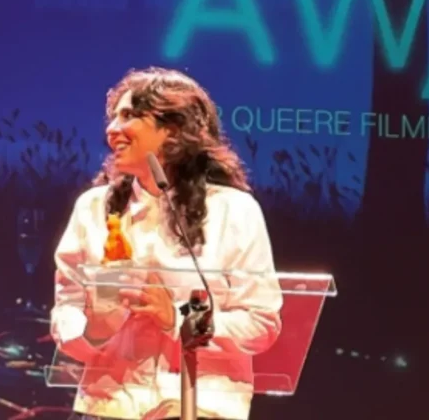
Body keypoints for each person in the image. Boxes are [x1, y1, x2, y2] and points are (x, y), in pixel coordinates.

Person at [50, 67, 283, 420]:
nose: (112, 130)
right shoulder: (93, 208)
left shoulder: (234, 211)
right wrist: (95, 329)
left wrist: (177, 317)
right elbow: (65, 310)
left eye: (128, 116)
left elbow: (261, 323)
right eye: (112, 117)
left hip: (202, 408)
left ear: (173, 130)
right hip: (107, 407)